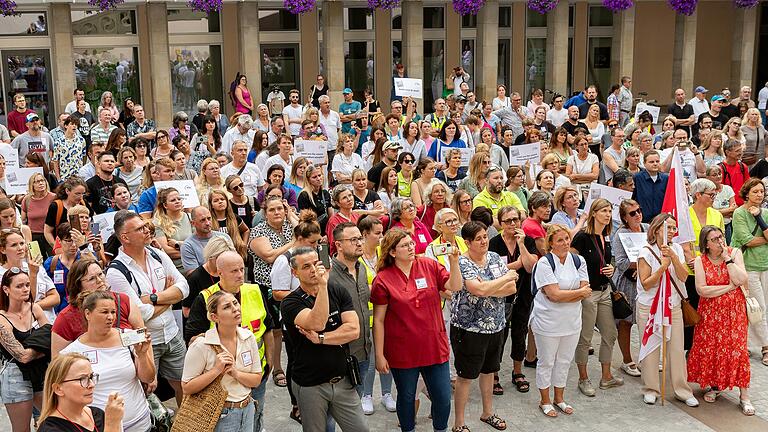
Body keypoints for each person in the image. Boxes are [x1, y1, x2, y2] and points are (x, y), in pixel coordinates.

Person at [371, 229, 462, 432]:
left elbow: (455, 286)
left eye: (411, 243)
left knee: (443, 397)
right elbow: (378, 320)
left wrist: (454, 262)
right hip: (402, 350)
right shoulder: (383, 279)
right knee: (406, 396)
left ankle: (440, 429)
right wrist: (379, 354)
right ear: (392, 252)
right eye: (404, 245)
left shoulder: (429, 265)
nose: (411, 247)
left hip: (433, 345)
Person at [280, 246, 369, 432]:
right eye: (306, 266)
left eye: (316, 263)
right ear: (294, 272)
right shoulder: (290, 302)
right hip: (310, 385)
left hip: (342, 380)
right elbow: (317, 322)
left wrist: (321, 339)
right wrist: (322, 287)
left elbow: (353, 330)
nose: (313, 270)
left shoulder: (338, 291)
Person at [105, 211, 189, 406]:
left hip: (172, 333)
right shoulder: (116, 271)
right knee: (145, 394)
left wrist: (153, 298)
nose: (146, 230)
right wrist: (170, 297)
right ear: (125, 237)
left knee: (184, 385)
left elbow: (184, 287)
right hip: (145, 343)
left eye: (145, 226)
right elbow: (140, 313)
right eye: (140, 228)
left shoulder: (156, 254)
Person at [184, 251, 273, 431]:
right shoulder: (206, 297)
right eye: (234, 271)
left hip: (254, 373)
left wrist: (271, 363)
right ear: (219, 273)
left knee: (256, 417)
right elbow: (191, 338)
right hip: (221, 387)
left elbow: (269, 329)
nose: (240, 274)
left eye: (242, 269)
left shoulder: (254, 290)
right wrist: (213, 350)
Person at [451, 221, 517, 432]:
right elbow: (476, 289)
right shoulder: (462, 263)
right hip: (469, 328)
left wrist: (487, 287)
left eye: (485, 237)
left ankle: (487, 412)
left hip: (496, 325)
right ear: (467, 242)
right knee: (466, 376)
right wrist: (502, 279)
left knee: (489, 371)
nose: (483, 241)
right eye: (478, 239)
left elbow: (511, 288)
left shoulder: (496, 258)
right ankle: (459, 423)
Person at [59, 290, 155, 432]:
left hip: (139, 422)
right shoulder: (71, 353)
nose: (110, 317)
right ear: (87, 314)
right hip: (100, 427)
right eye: (104, 312)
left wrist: (142, 355)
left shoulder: (129, 337)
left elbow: (148, 378)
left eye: (113, 312)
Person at [689, 225, 754, 416]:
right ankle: (716, 385)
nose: (720, 241)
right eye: (714, 239)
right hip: (710, 313)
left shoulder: (734, 253)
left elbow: (741, 278)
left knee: (737, 349)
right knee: (713, 348)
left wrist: (727, 259)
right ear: (706, 244)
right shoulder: (701, 261)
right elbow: (702, 290)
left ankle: (744, 395)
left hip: (735, 312)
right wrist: (728, 287)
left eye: (721, 236)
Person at [636, 214, 699, 406]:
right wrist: (663, 267)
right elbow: (646, 283)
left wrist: (673, 258)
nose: (672, 232)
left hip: (674, 305)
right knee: (651, 348)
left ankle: (682, 390)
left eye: (674, 228)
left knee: (677, 349)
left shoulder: (677, 249)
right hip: (650, 306)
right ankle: (650, 388)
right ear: (657, 230)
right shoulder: (645, 251)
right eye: (668, 228)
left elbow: (682, 276)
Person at [530, 224, 590, 417]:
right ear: (550, 244)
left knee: (564, 361)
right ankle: (544, 400)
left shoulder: (579, 260)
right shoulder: (544, 263)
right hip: (547, 321)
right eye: (560, 240)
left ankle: (560, 398)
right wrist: (576, 293)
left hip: (572, 321)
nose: (565, 243)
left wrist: (566, 295)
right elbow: (553, 294)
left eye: (567, 239)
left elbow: (586, 290)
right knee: (547, 361)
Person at [182, 290, 263, 432]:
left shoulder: (248, 337)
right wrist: (216, 370)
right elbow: (187, 387)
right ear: (214, 317)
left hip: (248, 409)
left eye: (235, 303)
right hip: (219, 414)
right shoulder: (202, 345)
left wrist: (235, 373)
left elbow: (256, 380)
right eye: (227, 307)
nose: (235, 309)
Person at [569, 199, 622, 397]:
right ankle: (583, 378)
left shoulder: (606, 236)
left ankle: (606, 376)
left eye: (610, 211)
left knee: (609, 333)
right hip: (589, 292)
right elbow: (570, 262)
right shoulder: (583, 237)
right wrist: (580, 286)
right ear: (594, 213)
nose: (608, 215)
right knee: (585, 337)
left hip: (605, 290)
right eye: (604, 211)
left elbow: (609, 260)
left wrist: (612, 268)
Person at [0, 266, 50, 432]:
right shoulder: (2, 318)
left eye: (27, 285)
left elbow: (53, 336)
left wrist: (35, 348)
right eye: (19, 286)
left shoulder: (34, 308)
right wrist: (44, 347)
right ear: (6, 289)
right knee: (22, 429)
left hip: (40, 371)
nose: (25, 289)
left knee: (53, 419)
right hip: (16, 375)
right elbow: (22, 356)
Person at [730, 178, 768, 366]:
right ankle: (765, 347)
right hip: (748, 266)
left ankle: (753, 343)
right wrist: (765, 237)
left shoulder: (766, 213)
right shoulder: (739, 213)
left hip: (766, 264)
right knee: (757, 307)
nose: (759, 195)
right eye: (755, 192)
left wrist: (760, 218)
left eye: (761, 191)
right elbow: (746, 240)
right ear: (746, 193)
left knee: (764, 307)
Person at [37, 353, 125, 432]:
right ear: (58, 389)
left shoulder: (97, 414)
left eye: (91, 377)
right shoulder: (50, 428)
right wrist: (112, 424)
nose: (91, 385)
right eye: (82, 379)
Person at [610, 200, 647, 377]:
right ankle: (627, 360)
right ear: (625, 218)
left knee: (646, 322)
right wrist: (641, 265)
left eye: (639, 210)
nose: (638, 215)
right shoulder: (620, 234)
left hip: (645, 281)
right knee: (625, 322)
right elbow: (622, 262)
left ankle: (647, 358)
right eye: (632, 213)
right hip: (626, 283)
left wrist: (642, 268)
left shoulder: (647, 229)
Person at [181, 206, 229, 274]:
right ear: (193, 223)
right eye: (202, 220)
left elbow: (235, 262)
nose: (207, 223)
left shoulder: (224, 237)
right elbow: (193, 275)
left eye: (209, 218)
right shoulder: (188, 245)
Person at [43, 176, 88, 249]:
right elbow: (47, 232)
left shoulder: (83, 204)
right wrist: (57, 247)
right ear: (67, 191)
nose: (81, 197)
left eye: (83, 194)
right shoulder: (56, 206)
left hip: (80, 247)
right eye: (77, 194)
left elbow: (89, 227)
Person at [21, 173, 55, 257]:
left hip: (49, 235)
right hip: (33, 237)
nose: (41, 183)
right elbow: (23, 220)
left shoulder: (53, 197)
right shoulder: (27, 199)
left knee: (53, 260)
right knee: (37, 261)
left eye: (42, 180)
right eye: (37, 181)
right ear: (32, 185)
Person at [632, 150, 669, 223]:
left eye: (657, 161)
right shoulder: (637, 178)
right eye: (651, 162)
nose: (655, 164)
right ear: (644, 164)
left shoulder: (666, 179)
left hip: (660, 220)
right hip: (642, 220)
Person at [51, 115, 86, 181]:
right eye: (72, 124)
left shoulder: (81, 140)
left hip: (78, 176)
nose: (74, 126)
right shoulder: (58, 142)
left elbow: (84, 157)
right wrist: (58, 179)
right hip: (64, 177)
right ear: (66, 126)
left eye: (76, 124)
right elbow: (55, 162)